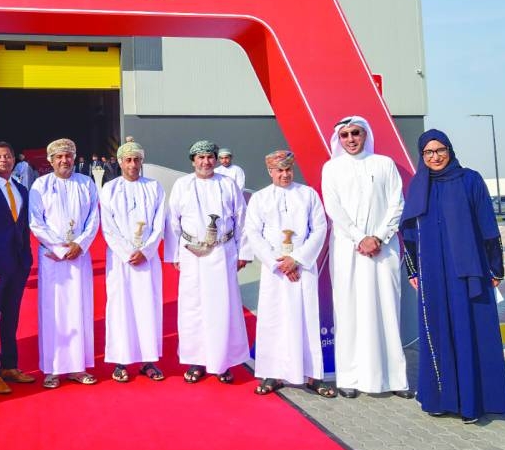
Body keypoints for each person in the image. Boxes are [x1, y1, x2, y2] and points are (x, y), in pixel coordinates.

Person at [400, 129, 505, 424]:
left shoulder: (469, 180)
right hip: (433, 274)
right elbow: (408, 232)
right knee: (437, 332)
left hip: (468, 273)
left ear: (450, 150)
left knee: (468, 332)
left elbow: (488, 226)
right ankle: (440, 399)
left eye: (440, 150)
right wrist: (413, 269)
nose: (435, 157)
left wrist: (495, 268)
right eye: (428, 152)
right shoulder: (419, 185)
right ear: (421, 156)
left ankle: (472, 403)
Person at [320, 115, 412, 399]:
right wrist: (360, 237)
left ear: (365, 134)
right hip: (349, 250)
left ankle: (394, 378)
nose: (350, 139)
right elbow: (334, 207)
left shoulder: (384, 165)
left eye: (355, 133)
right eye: (345, 135)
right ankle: (349, 377)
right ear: (339, 139)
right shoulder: (332, 168)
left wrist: (379, 237)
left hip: (384, 251)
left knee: (386, 308)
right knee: (349, 310)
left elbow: (397, 204)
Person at [245, 150, 333, 397]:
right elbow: (253, 232)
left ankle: (313, 375)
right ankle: (272, 373)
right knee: (274, 319)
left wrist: (297, 259)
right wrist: (279, 263)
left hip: (303, 269)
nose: (284, 175)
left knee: (306, 319)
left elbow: (319, 229)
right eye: (279, 171)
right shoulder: (260, 198)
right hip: (275, 272)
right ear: (270, 171)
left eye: (288, 170)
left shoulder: (308, 195)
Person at [166, 140, 251, 384]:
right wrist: (175, 255)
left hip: (222, 253)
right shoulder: (182, 185)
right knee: (193, 308)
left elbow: (241, 218)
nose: (205, 162)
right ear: (192, 161)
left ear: (216, 159)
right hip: (192, 254)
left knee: (222, 307)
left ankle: (222, 362)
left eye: (209, 157)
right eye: (200, 158)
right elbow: (173, 222)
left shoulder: (228, 184)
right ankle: (197, 361)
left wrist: (243, 252)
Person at [29, 138, 100, 389]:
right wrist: (59, 249)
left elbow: (93, 218)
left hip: (79, 256)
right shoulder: (41, 185)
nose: (64, 160)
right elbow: (36, 222)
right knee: (53, 312)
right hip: (52, 258)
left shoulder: (86, 183)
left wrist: (79, 245)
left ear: (74, 157)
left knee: (80, 309)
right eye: (58, 156)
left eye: (68, 156)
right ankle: (53, 369)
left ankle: (78, 367)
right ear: (50, 160)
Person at [99, 139, 167, 383]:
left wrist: (146, 251)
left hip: (147, 260)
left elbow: (160, 224)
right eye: (128, 160)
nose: (133, 164)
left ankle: (149, 360)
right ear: (119, 163)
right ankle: (121, 361)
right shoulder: (110, 189)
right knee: (121, 308)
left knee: (148, 307)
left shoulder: (155, 187)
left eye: (137, 159)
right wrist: (128, 252)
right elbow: (108, 227)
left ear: (142, 161)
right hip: (120, 260)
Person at [0, 141, 35, 394]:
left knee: (11, 317)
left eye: (8, 156)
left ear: (15, 160)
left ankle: (9, 365)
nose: (4, 160)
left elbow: (22, 227)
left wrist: (27, 260)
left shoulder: (22, 189)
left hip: (19, 265)